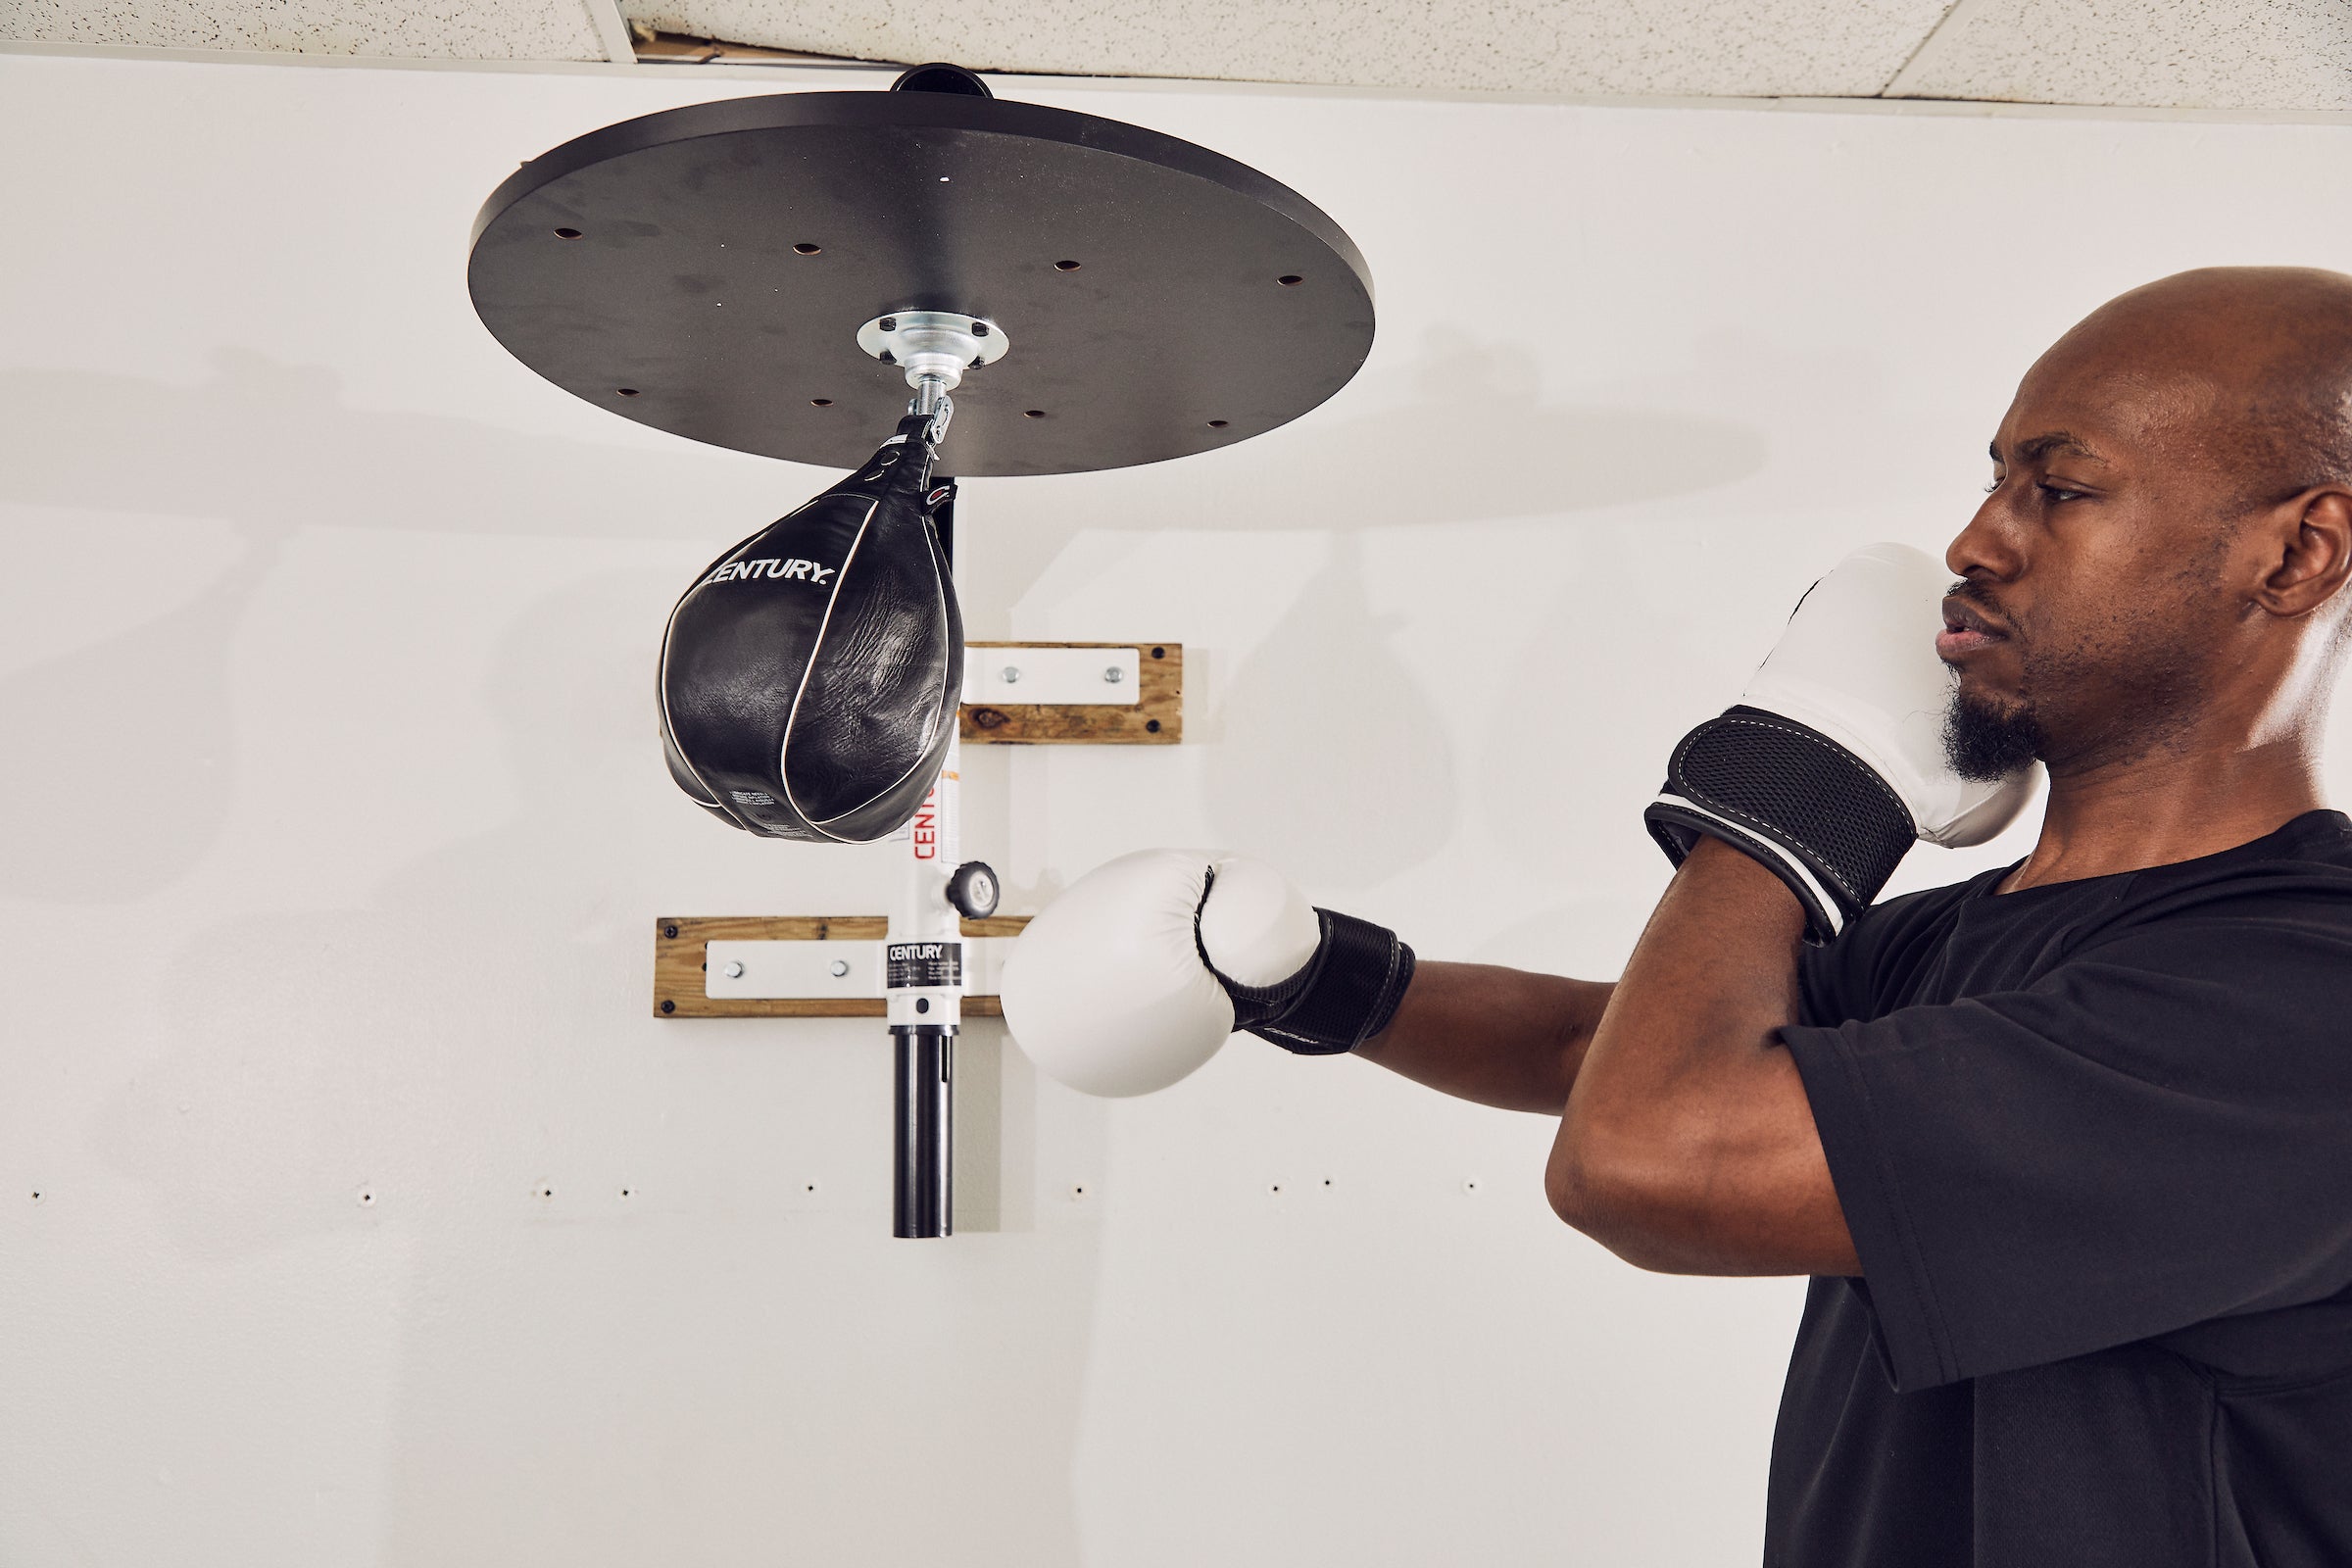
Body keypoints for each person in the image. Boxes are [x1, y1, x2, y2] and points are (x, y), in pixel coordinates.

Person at [1000, 267, 2352, 1566]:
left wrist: (1798, 793)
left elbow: (1646, 1162)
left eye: (2058, 489)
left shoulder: (2296, 1008)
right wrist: (1310, 977)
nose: (1974, 541)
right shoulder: (1978, 938)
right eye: (1993, 477)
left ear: (2296, 552)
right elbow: (1599, 1058)